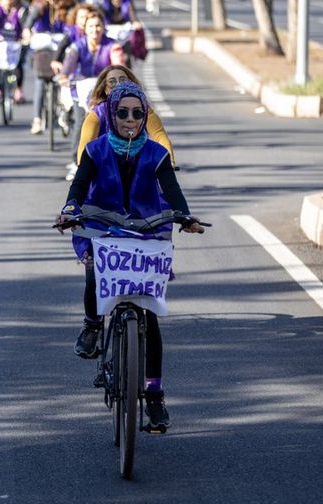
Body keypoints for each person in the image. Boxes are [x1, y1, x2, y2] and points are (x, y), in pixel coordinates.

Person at [55, 81, 203, 432]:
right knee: (93, 273)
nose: (131, 119)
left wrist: (185, 217)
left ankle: (154, 396)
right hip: (102, 228)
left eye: (138, 113)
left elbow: (172, 190)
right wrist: (70, 208)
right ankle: (93, 326)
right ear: (111, 114)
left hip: (147, 231)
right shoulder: (94, 150)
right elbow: (78, 188)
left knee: (149, 317)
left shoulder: (156, 153)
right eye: (123, 113)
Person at [56, 4, 124, 178]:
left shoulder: (112, 46)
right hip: (82, 91)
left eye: (98, 26)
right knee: (81, 124)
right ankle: (76, 161)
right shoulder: (77, 46)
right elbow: (68, 65)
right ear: (84, 29)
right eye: (91, 26)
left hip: (105, 92)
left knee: (112, 125)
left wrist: (117, 79)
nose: (95, 30)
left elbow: (118, 66)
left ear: (103, 27)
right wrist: (64, 76)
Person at [73, 64, 174, 177]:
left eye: (123, 80)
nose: (118, 85)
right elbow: (86, 142)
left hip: (139, 169)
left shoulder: (144, 109)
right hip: (105, 171)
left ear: (131, 84)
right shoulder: (97, 113)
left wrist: (169, 160)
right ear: (105, 90)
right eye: (112, 82)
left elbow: (159, 135)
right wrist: (82, 169)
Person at [25, 0, 73, 134]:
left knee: (68, 78)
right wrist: (27, 30)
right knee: (40, 80)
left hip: (62, 48)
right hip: (43, 51)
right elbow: (30, 20)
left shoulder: (68, 6)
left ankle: (67, 112)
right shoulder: (39, 6)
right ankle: (37, 120)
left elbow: (73, 26)